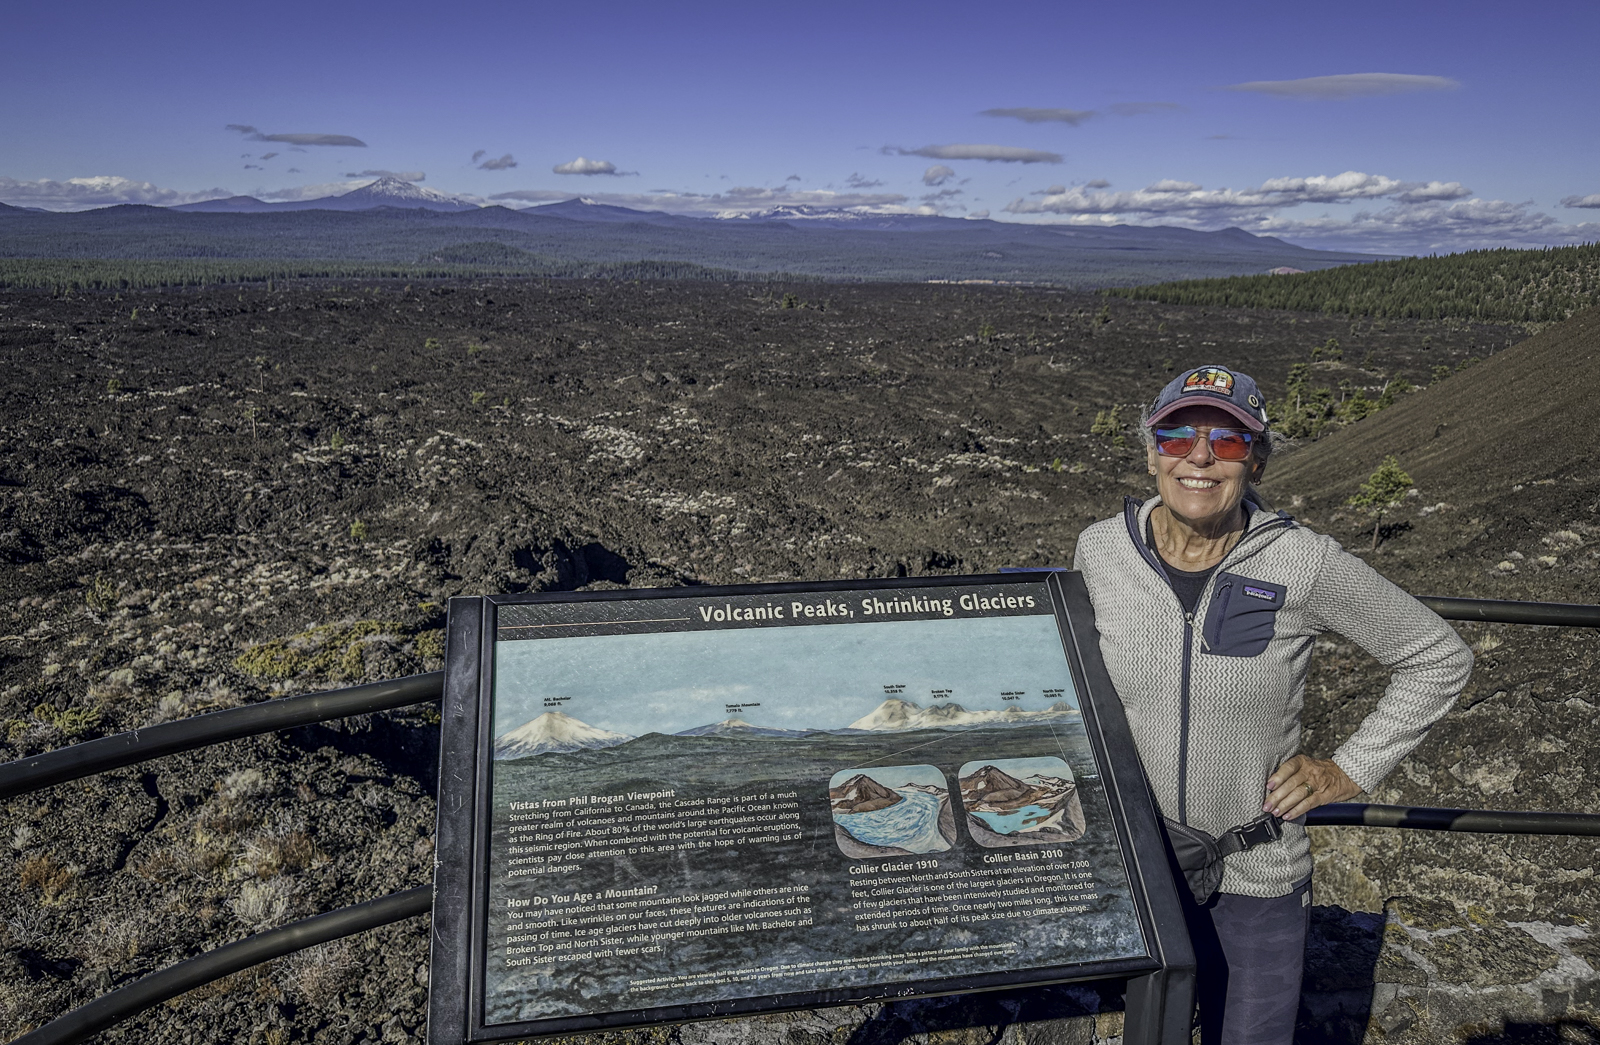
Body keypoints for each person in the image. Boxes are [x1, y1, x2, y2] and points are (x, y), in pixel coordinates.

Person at [1071, 364, 1472, 1045]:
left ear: (1255, 460)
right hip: (1138, 867)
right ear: (1152, 454)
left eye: (1228, 441)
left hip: (1256, 874)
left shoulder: (1302, 561)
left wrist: (1349, 768)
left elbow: (1437, 654)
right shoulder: (1101, 549)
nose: (1200, 457)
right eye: (1177, 436)